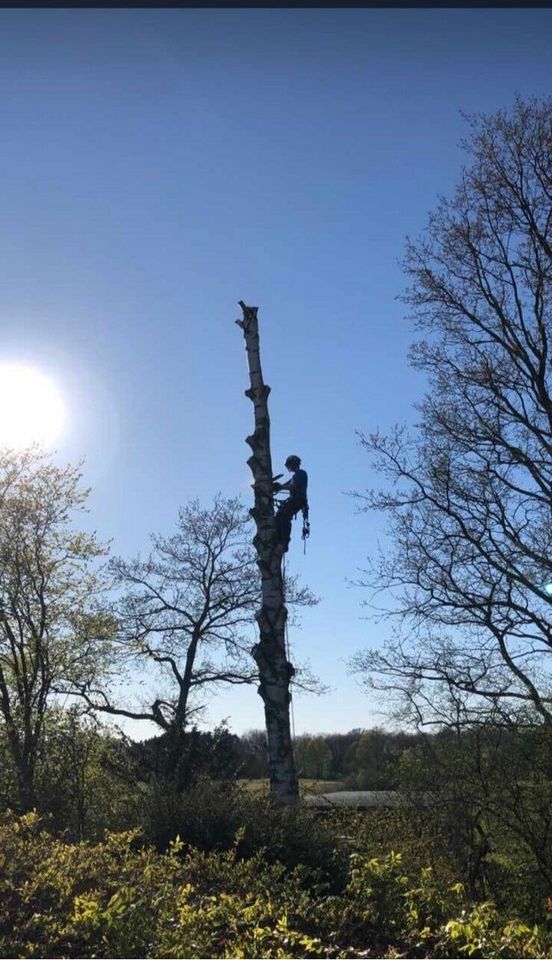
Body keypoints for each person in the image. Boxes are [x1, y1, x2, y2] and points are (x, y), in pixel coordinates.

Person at [273, 455, 308, 552]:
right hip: (295, 500)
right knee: (279, 516)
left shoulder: (301, 473)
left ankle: (284, 542)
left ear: (293, 464)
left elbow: (292, 486)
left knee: (284, 516)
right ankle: (278, 539)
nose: (289, 467)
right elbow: (286, 484)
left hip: (298, 500)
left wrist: (279, 488)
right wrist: (277, 487)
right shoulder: (295, 476)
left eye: (289, 465)